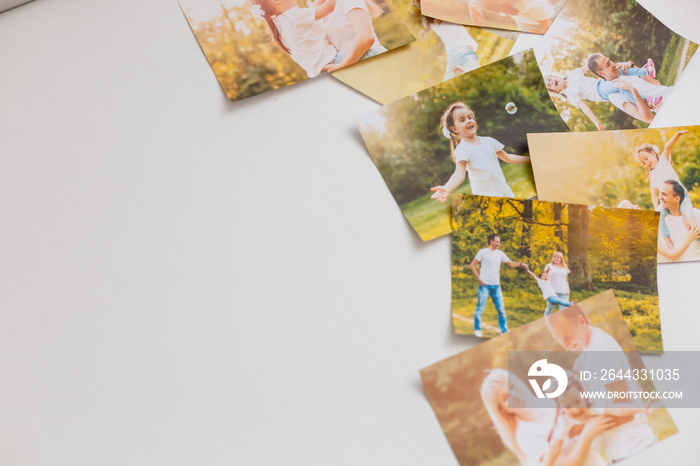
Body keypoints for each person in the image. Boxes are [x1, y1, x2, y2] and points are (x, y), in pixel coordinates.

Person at [545, 306, 656, 463]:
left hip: (634, 448)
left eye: (568, 336)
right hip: (622, 449)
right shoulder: (588, 353)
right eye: (559, 340)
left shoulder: (601, 351)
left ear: (581, 321)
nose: (565, 344)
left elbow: (625, 408)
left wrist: (585, 427)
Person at [430, 102, 530, 202]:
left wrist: (531, 159)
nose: (469, 121)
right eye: (462, 120)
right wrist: (447, 188)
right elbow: (459, 174)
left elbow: (508, 157)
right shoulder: (462, 150)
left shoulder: (489, 141)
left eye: (470, 117)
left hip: (504, 193)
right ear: (454, 129)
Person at [544, 59, 658, 131]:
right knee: (618, 84)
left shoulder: (572, 74)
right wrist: (596, 121)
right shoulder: (570, 94)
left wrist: (599, 61)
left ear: (555, 76)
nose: (551, 82)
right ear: (556, 90)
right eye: (550, 85)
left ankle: (646, 71)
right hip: (600, 91)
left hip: (601, 81)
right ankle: (647, 101)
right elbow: (584, 107)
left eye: (550, 79)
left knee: (616, 70)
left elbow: (588, 66)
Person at [634, 130, 697, 250]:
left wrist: (677, 134)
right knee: (660, 219)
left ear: (653, 153)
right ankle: (667, 240)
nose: (646, 162)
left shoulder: (664, 161)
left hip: (681, 196)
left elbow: (668, 147)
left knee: (688, 217)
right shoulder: (652, 175)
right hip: (666, 202)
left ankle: (695, 238)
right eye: (643, 162)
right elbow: (653, 194)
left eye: (646, 158)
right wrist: (656, 208)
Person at [481, 369, 557, 464]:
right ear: (503, 410)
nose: (514, 395)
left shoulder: (552, 400)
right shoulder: (525, 436)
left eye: (512, 386)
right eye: (506, 397)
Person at [251, 0, 341, 78]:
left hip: (319, 72)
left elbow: (314, 8)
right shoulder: (293, 16)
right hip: (332, 62)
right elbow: (329, 7)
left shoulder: (280, 26)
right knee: (354, 49)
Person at [587, 53, 674, 123]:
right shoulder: (614, 95)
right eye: (608, 64)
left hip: (673, 92)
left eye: (610, 61)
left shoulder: (623, 72)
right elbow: (649, 119)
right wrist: (633, 91)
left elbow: (655, 83)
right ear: (601, 73)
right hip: (670, 107)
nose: (613, 64)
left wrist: (632, 66)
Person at [468, 234, 526, 337]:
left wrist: (521, 264)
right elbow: (472, 265)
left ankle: (504, 331)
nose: (499, 243)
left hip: (496, 286)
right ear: (491, 241)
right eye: (497, 241)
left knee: (501, 310)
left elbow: (511, 263)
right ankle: (477, 330)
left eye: (499, 242)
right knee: (480, 309)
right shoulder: (482, 252)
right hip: (484, 285)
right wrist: (479, 279)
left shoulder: (500, 253)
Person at [413, 0, 480, 81]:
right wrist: (426, 30)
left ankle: (468, 70)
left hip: (463, 49)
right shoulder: (427, 19)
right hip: (451, 55)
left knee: (473, 66)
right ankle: (467, 70)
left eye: (414, 1)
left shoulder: (444, 8)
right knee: (446, 79)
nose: (413, 3)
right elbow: (428, 25)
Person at [320, 0, 387, 72]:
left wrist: (343, 65)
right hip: (354, 66)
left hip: (371, 60)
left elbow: (366, 37)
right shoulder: (321, 8)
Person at [657, 180, 700, 262]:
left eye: (664, 194)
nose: (660, 197)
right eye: (660, 193)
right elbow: (670, 255)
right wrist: (689, 238)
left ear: (677, 199)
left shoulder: (695, 214)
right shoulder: (660, 223)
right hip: (678, 270)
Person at [468, 0, 556, 33]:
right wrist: (472, 6)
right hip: (524, 21)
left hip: (542, 24)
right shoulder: (496, 4)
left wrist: (540, 34)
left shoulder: (529, 3)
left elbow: (549, 30)